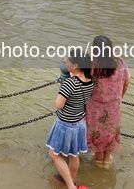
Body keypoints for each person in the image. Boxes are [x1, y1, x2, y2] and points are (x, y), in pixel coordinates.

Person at [46, 49, 94, 189]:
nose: (65, 63)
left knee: (54, 154)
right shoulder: (89, 80)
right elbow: (77, 79)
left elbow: (58, 105)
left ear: (76, 65)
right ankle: (70, 181)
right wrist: (68, 63)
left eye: (67, 62)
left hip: (65, 124)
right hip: (79, 123)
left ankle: (71, 187)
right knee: (74, 154)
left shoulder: (69, 83)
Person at [86, 35, 130, 168]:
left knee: (96, 129)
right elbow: (126, 81)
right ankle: (107, 158)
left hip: (95, 104)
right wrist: (120, 95)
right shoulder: (120, 63)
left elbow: (86, 86)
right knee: (111, 129)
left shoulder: (92, 66)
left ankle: (98, 158)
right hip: (114, 104)